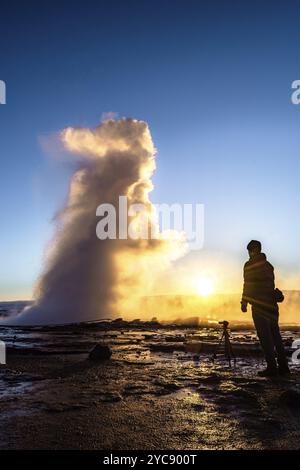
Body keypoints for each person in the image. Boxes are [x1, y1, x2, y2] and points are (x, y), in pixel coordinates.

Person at [241, 240, 290, 377]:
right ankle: (284, 367)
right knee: (276, 337)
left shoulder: (249, 265)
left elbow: (247, 285)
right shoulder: (269, 265)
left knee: (266, 339)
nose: (249, 254)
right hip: (272, 306)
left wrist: (244, 302)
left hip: (259, 307)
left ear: (253, 250)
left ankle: (272, 368)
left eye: (249, 250)